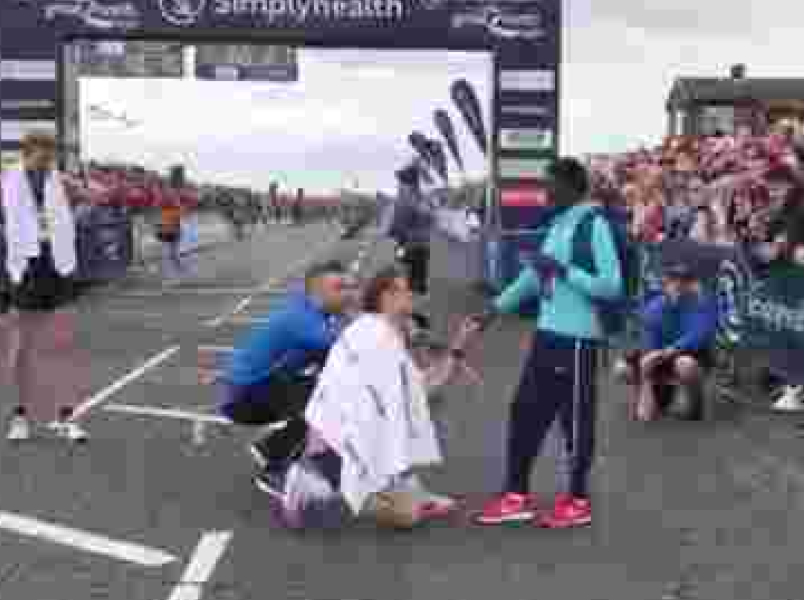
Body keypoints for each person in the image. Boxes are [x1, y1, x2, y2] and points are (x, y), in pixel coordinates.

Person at [471, 157, 623, 529]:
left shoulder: (595, 225)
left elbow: (611, 285)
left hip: (577, 341)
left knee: (575, 424)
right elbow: (532, 279)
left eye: (549, 185)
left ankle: (577, 500)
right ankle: (515, 495)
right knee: (524, 413)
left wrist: (563, 270)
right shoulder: (558, 226)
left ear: (572, 188)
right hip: (546, 337)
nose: (544, 192)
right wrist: (491, 311)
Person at [0, 130, 104, 442]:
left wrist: (70, 220)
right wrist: (0, 229)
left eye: (52, 151)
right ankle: (20, 416)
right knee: (22, 346)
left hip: (57, 262)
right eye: (44, 151)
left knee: (61, 342)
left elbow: (96, 199)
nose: (49, 157)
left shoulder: (59, 179)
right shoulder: (7, 179)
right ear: (27, 151)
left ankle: (65, 416)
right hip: (26, 266)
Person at [299, 266, 477, 529]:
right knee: (407, 517)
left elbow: (416, 387)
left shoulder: (375, 328)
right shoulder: (377, 338)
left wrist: (456, 348)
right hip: (335, 449)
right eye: (404, 291)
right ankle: (315, 491)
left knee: (414, 411)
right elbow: (423, 390)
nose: (411, 296)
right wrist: (458, 347)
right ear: (386, 297)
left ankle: (402, 485)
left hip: (331, 436)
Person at [220, 260, 350, 498]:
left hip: (259, 386)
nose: (348, 294)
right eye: (340, 288)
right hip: (245, 396)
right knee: (324, 406)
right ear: (318, 292)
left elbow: (333, 363)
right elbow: (346, 344)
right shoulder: (302, 320)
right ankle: (273, 469)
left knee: (330, 393)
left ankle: (273, 448)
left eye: (348, 287)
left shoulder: (309, 309)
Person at [615, 263, 718, 422]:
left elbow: (697, 336)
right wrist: (647, 372)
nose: (678, 285)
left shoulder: (702, 303)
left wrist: (668, 351)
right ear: (666, 283)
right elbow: (647, 340)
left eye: (684, 281)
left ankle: (695, 405)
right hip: (658, 355)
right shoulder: (654, 306)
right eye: (673, 280)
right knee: (621, 369)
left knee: (685, 364)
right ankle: (656, 393)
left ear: (691, 284)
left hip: (689, 355)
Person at [385, 164, 434, 297]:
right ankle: (416, 293)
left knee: (407, 267)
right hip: (419, 243)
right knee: (417, 271)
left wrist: (392, 232)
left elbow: (399, 220)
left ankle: (409, 296)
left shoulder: (406, 198)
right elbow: (430, 216)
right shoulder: (419, 197)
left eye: (401, 181)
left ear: (407, 182)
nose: (399, 185)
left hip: (409, 242)